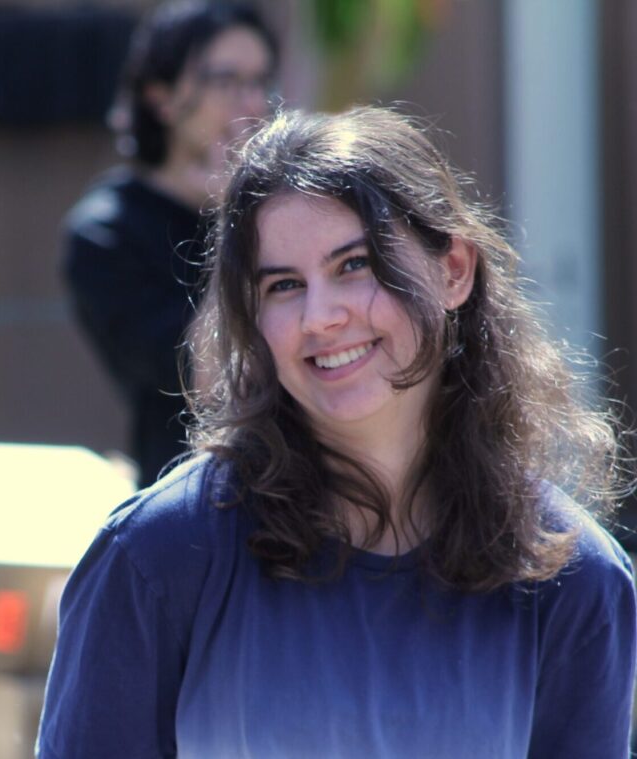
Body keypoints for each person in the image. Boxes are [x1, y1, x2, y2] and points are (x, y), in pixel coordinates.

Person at [39, 107, 637, 758]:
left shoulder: (578, 582)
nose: (320, 316)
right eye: (284, 285)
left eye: (355, 265)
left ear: (454, 270)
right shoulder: (156, 559)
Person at [63, 0, 278, 487]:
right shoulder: (107, 233)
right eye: (226, 82)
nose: (254, 104)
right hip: (196, 500)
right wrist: (234, 222)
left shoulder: (286, 207)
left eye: (262, 81)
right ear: (162, 98)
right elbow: (208, 381)